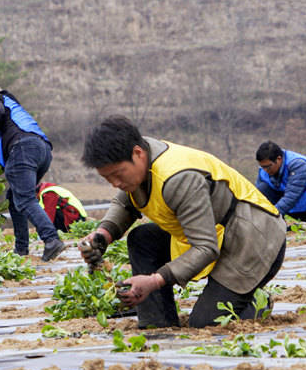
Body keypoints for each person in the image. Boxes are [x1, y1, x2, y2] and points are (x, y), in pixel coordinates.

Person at [79, 115, 286, 328]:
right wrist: (103, 235)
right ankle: (156, 323)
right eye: (107, 178)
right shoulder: (140, 156)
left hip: (254, 240)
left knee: (205, 324)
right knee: (142, 239)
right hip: (216, 231)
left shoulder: (178, 178)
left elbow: (206, 248)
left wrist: (154, 280)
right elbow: (125, 204)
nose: (115, 183)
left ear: (138, 154)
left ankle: (255, 302)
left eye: (117, 174)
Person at [0, 85, 65, 261]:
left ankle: (51, 239)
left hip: (24, 148)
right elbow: (9, 154)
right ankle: (21, 248)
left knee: (24, 199)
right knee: (14, 197)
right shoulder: (15, 114)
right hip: (42, 151)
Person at [255, 141, 306, 229]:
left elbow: (291, 196)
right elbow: (258, 197)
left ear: (279, 159)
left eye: (268, 166)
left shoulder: (298, 164)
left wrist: (272, 215)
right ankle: (279, 226)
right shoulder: (264, 169)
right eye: (262, 167)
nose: (265, 170)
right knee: (262, 188)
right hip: (296, 210)